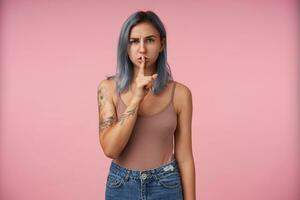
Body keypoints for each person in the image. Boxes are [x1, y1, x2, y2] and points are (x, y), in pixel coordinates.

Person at [97, 10, 196, 200]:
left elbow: (184, 157)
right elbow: (110, 149)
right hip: (122, 186)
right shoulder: (107, 89)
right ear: (125, 46)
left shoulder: (181, 94)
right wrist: (136, 99)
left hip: (166, 185)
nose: (142, 49)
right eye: (134, 41)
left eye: (150, 40)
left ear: (162, 44)